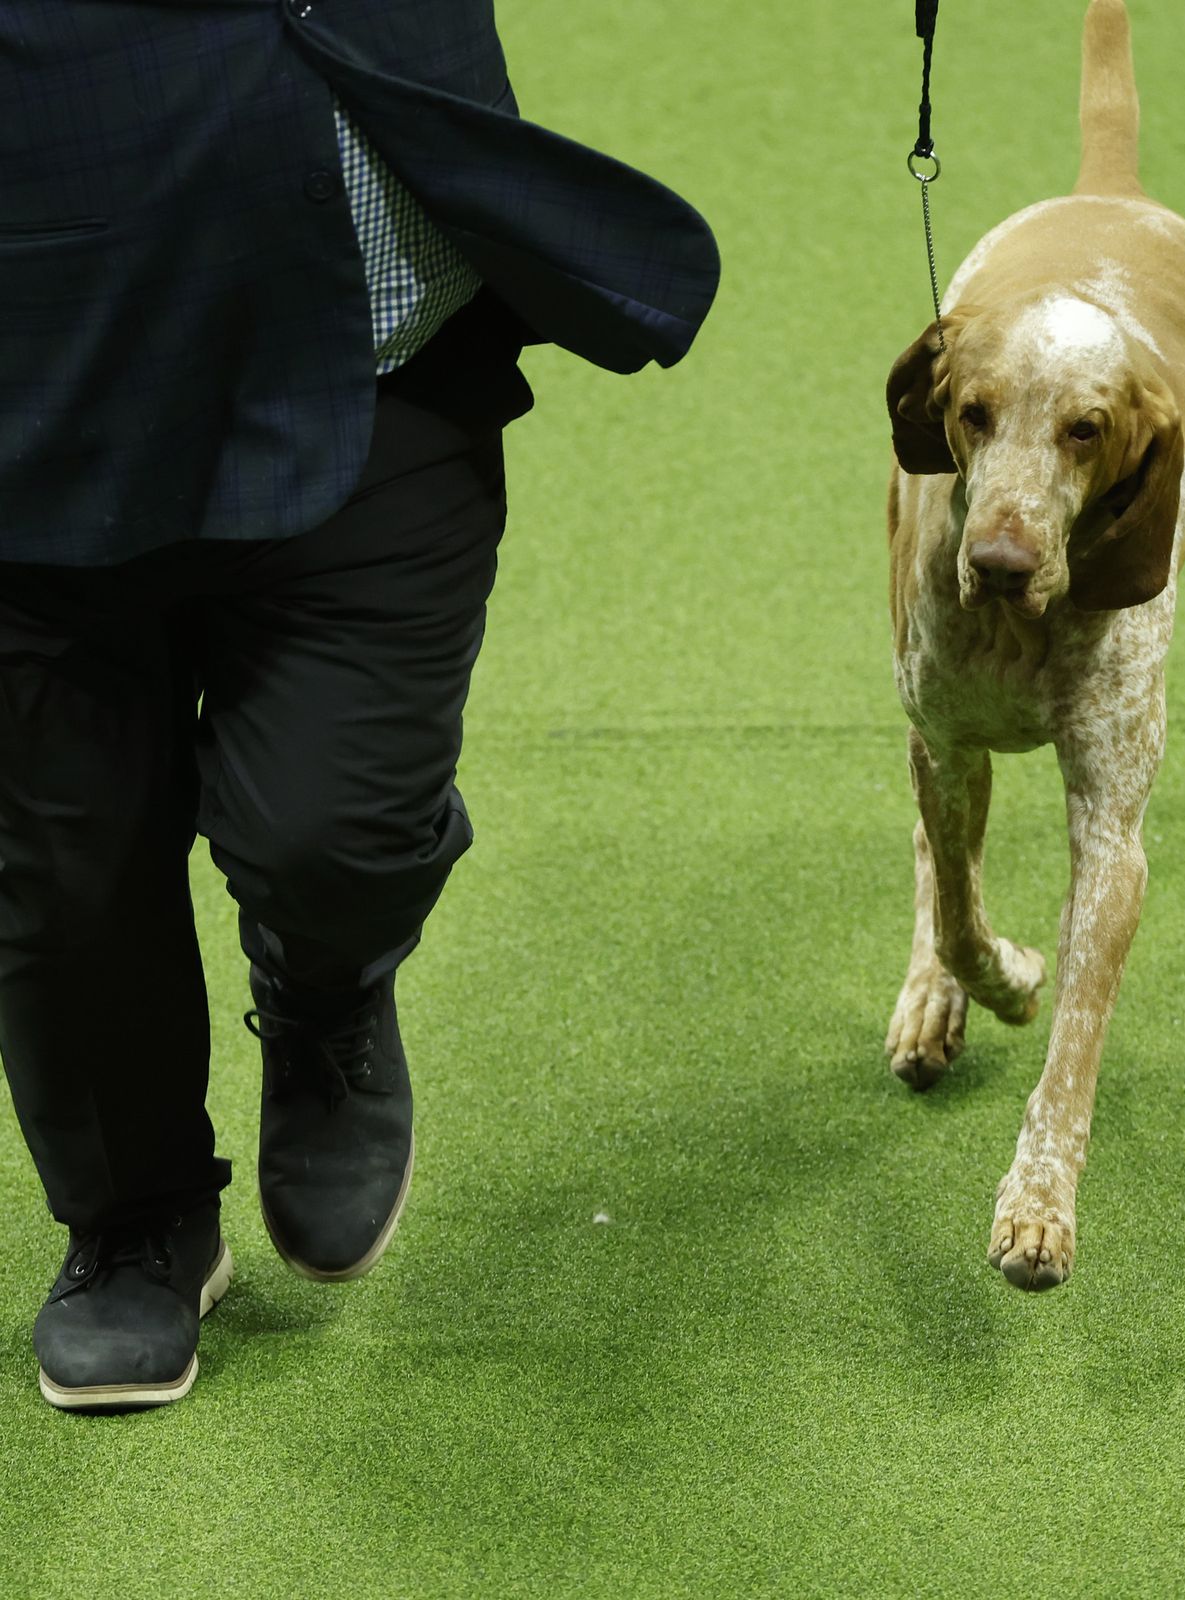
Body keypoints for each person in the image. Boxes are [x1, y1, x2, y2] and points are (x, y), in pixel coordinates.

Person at [0, 0, 719, 1411]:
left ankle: (325, 990)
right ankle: (135, 1221)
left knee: (335, 831)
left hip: (376, 367)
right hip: (39, 405)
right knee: (60, 878)